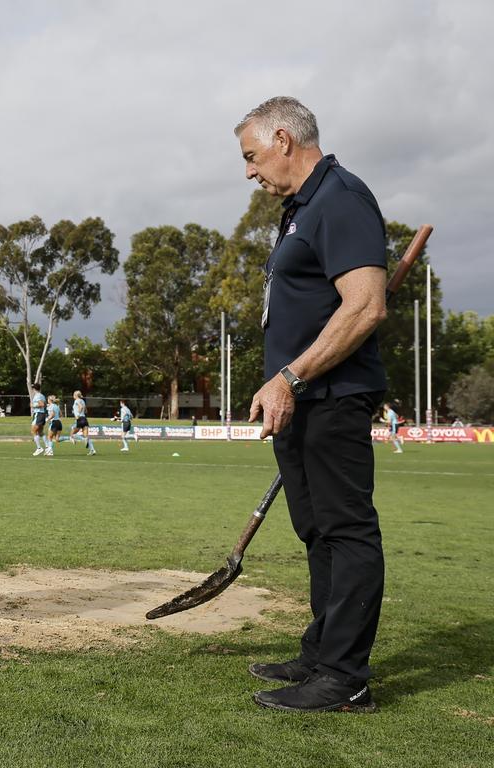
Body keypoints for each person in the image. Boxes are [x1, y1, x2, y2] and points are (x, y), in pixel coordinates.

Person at [237, 97, 388, 713]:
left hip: (330, 395)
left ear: (282, 139)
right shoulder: (301, 209)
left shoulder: (341, 198)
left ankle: (345, 678)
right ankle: (321, 652)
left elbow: (366, 305)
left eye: (251, 157)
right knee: (316, 531)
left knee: (346, 531)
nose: (249, 172)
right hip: (300, 400)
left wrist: (288, 378)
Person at [69, 391, 96, 455]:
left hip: (79, 418)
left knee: (72, 434)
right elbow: (86, 410)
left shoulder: (77, 400)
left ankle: (83, 440)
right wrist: (80, 412)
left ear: (76, 395)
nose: (73, 395)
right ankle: (92, 450)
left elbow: (81, 407)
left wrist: (77, 414)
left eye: (73, 394)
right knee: (86, 436)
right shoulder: (83, 401)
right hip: (84, 418)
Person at [29, 383, 47, 456]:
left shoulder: (37, 396)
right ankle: (48, 447)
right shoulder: (42, 395)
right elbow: (45, 404)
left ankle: (39, 448)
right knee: (40, 432)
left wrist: (33, 405)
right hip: (41, 414)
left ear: (34, 389)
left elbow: (42, 404)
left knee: (33, 431)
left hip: (39, 414)